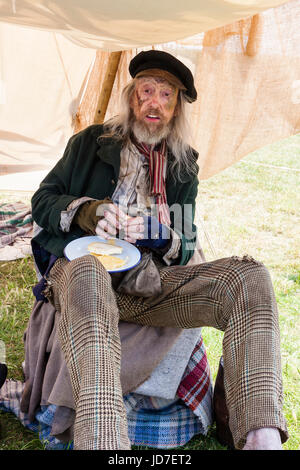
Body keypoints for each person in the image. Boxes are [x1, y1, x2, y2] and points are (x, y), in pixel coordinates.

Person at [30, 50, 288, 450]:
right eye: (147, 91)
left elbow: (185, 239)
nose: (155, 102)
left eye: (166, 96)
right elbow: (43, 199)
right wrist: (87, 211)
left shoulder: (183, 166)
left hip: (147, 285)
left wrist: (160, 234)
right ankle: (102, 441)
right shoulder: (88, 144)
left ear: (176, 108)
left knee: (249, 277)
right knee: (88, 271)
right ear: (132, 97)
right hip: (80, 276)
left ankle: (260, 434)